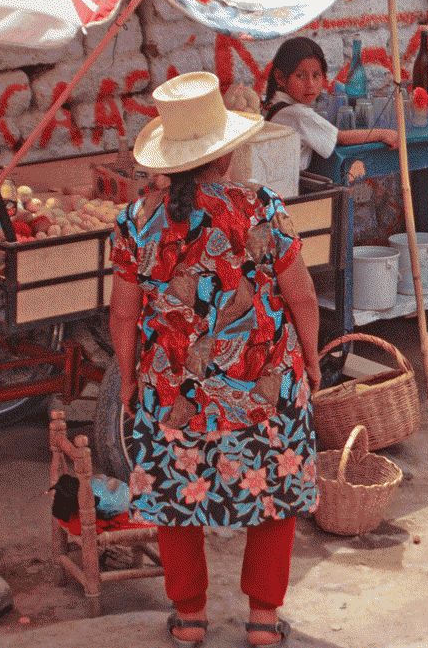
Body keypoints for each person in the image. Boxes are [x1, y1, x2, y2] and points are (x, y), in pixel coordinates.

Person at [109, 71, 322, 647]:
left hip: (172, 391)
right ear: (224, 156)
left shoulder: (135, 222)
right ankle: (262, 620)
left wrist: (128, 379)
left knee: (176, 499)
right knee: (274, 493)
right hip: (264, 384)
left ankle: (190, 616)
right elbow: (301, 295)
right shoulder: (260, 207)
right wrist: (311, 360)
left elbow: (123, 315)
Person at [262, 36, 399, 168]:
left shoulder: (272, 104)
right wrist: (383, 134)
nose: (310, 84)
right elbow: (341, 138)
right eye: (300, 76)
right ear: (280, 78)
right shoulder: (297, 114)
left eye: (316, 75)